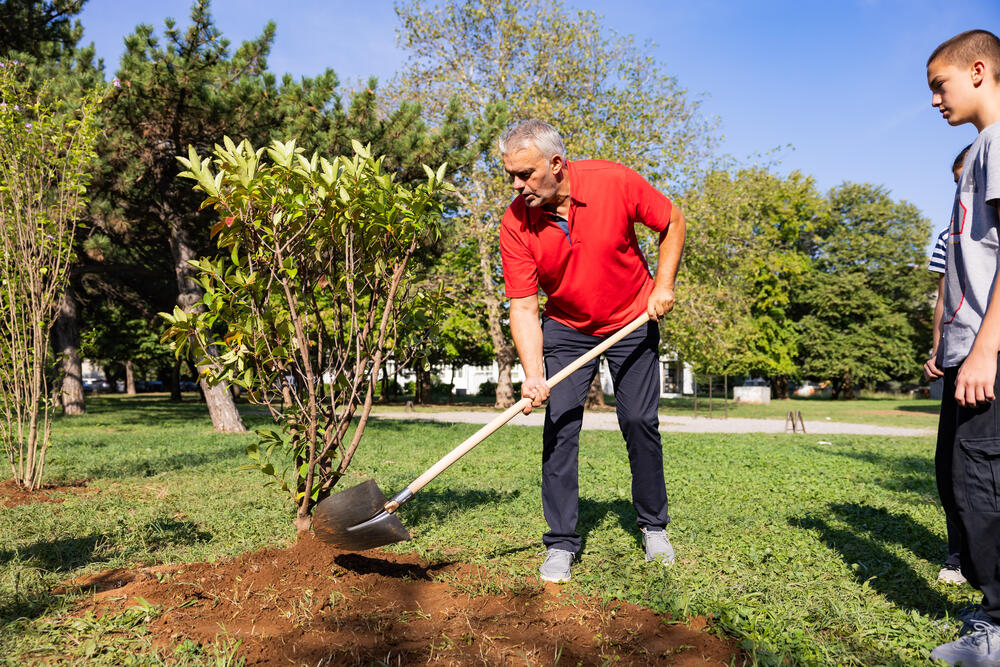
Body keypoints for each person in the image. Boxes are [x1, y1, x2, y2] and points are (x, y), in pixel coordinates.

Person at [497, 120, 685, 583]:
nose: (517, 187)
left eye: (525, 174)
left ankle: (653, 526)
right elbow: (523, 305)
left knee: (640, 422)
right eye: (511, 178)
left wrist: (663, 286)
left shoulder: (614, 181)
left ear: (556, 164)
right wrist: (533, 372)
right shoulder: (515, 223)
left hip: (632, 317)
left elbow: (673, 221)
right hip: (566, 325)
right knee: (559, 427)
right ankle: (561, 542)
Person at [925, 29, 1000, 666]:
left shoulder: (998, 142)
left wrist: (984, 350)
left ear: (978, 71)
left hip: (988, 353)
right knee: (959, 477)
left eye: (938, 85)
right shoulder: (979, 149)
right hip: (965, 351)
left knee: (980, 485)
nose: (933, 100)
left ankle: (999, 631)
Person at [923, 143, 972, 587]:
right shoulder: (947, 236)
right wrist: (936, 346)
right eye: (956, 179)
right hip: (957, 354)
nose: (961, 187)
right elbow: (944, 296)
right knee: (951, 462)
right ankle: (957, 556)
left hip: (986, 351)